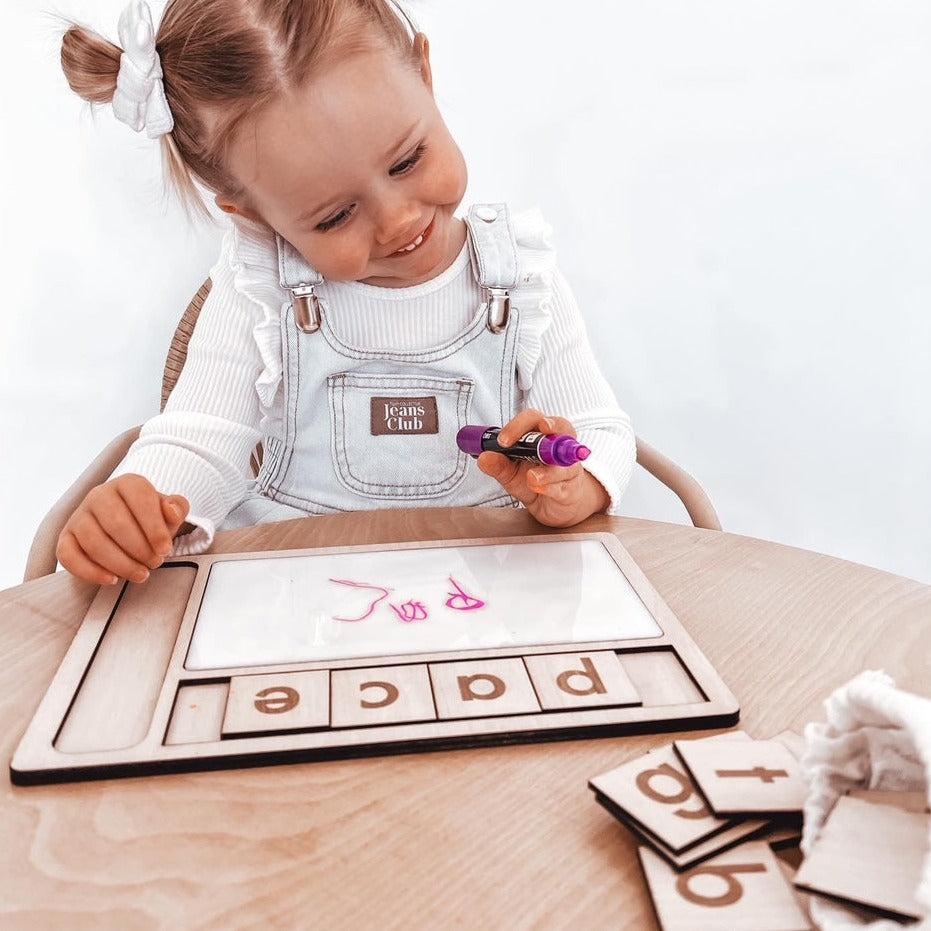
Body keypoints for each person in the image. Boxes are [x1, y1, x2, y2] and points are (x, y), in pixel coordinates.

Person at [56, 0, 636, 586]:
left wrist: (572, 483)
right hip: (299, 608)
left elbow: (599, 430)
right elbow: (202, 441)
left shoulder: (520, 281)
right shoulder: (261, 294)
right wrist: (142, 506)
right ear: (254, 215)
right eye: (334, 217)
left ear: (424, 76)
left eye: (408, 160)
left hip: (486, 604)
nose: (396, 221)